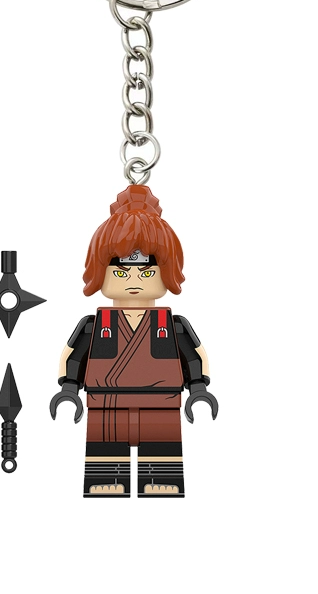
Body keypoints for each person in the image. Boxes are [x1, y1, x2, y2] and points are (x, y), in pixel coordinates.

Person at [50, 185, 218, 497]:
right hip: (106, 403)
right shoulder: (94, 325)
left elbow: (194, 356)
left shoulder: (173, 325)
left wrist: (198, 388)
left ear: (165, 273)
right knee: (105, 454)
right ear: (101, 273)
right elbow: (74, 357)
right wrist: (69, 388)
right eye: (121, 273)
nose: (134, 280)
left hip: (162, 402)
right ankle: (106, 478)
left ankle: (160, 478)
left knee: (162, 453)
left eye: (147, 272)